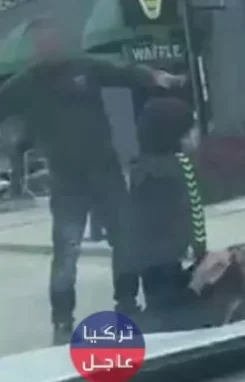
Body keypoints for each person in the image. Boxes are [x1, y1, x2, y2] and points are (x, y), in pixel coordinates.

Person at [0, 16, 186, 342]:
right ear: (34, 48)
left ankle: (127, 304)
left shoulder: (84, 68)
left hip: (105, 171)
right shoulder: (26, 83)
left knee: (125, 240)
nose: (48, 45)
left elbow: (124, 72)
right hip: (66, 182)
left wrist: (158, 77)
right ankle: (62, 318)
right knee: (67, 250)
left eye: (51, 38)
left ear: (59, 40)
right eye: (41, 41)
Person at [125, 97, 206, 318]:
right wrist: (201, 252)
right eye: (190, 130)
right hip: (172, 258)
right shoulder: (183, 165)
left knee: (159, 308)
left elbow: (133, 219)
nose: (196, 134)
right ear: (176, 135)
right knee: (181, 311)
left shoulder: (138, 168)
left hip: (148, 261)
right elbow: (195, 212)